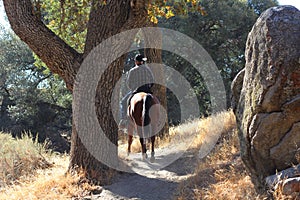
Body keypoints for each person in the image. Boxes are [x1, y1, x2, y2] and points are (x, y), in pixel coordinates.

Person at [119, 54, 155, 129]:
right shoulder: (147, 69)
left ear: (136, 62)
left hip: (136, 90)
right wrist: (149, 87)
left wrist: (132, 89)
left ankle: (124, 120)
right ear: (141, 62)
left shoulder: (132, 71)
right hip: (147, 90)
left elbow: (128, 83)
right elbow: (152, 81)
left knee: (123, 101)